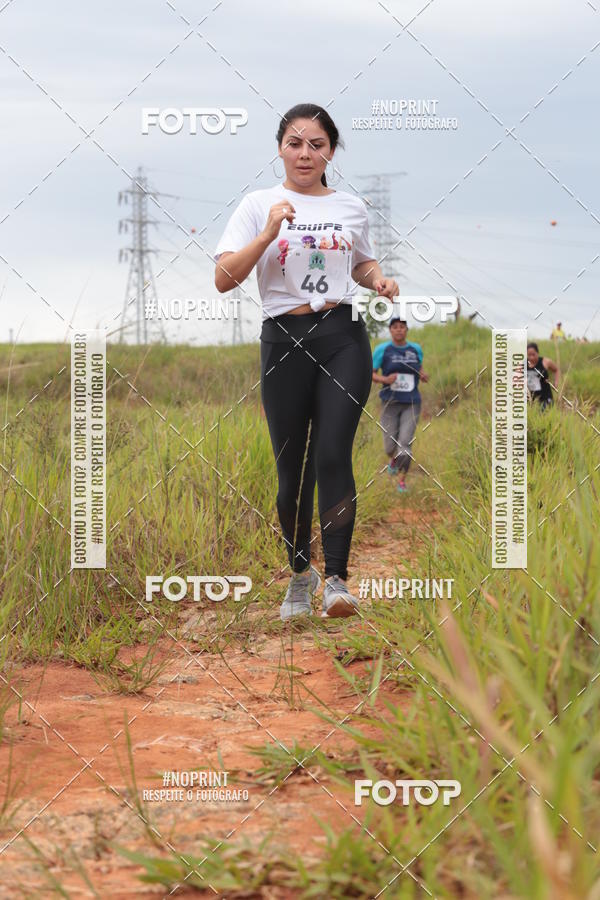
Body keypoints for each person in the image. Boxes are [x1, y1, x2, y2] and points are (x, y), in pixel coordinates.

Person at [213, 102, 398, 621]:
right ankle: (300, 574)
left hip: (342, 336)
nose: (305, 153)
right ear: (279, 149)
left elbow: (361, 261)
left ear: (331, 152)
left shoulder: (350, 207)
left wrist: (378, 278)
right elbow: (224, 277)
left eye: (316, 144)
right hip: (283, 339)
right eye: (295, 143)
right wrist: (268, 234)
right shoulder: (258, 204)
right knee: (290, 471)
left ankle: (337, 580)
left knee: (333, 453)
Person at [372, 318, 428, 492]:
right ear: (390, 330)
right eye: (395, 327)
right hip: (390, 402)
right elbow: (371, 374)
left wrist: (423, 375)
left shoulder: (415, 349)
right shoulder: (383, 349)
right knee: (390, 445)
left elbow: (419, 369)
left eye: (402, 327)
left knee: (405, 442)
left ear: (406, 330)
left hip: (411, 402)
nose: (398, 330)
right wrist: (385, 379)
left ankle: (401, 482)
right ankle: (393, 459)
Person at [526, 342, 560, 410]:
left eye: (533, 354)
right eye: (529, 355)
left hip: (545, 397)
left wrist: (556, 382)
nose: (531, 357)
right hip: (531, 398)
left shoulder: (545, 362)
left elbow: (556, 370)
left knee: (546, 415)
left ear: (537, 353)